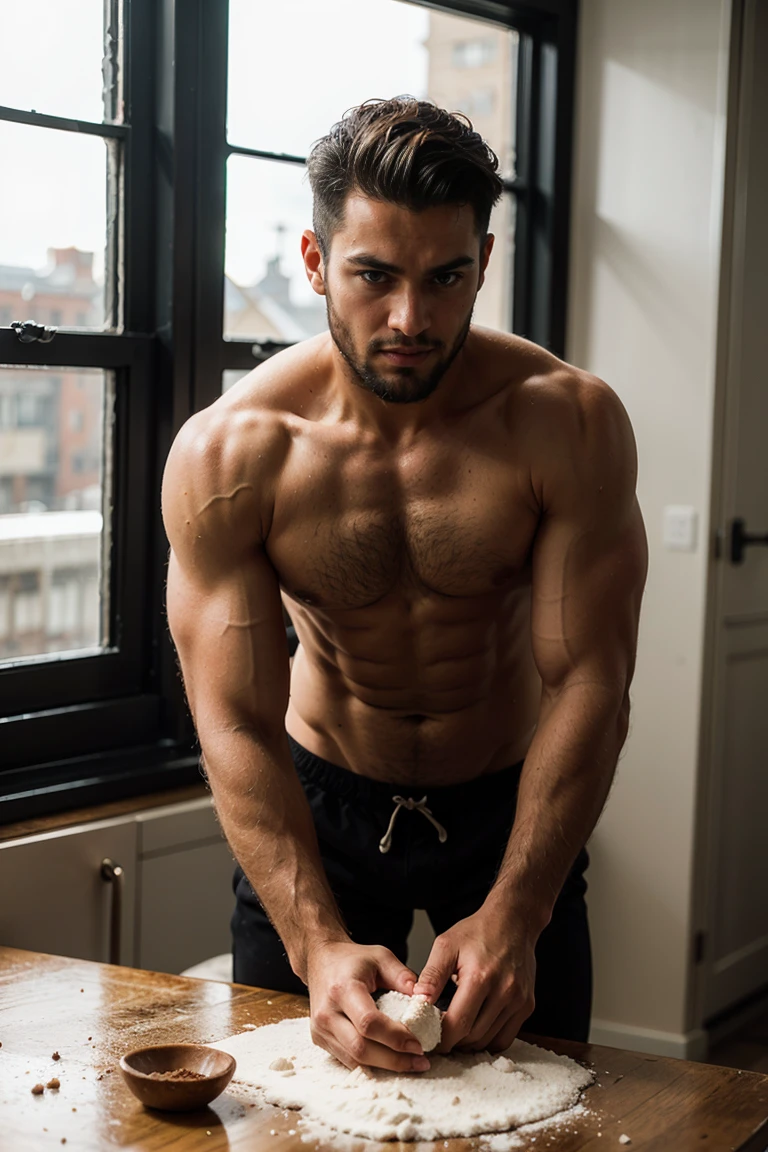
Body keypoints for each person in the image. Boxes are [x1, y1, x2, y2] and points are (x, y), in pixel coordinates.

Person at [162, 97, 648, 1076]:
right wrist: (313, 942)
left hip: (513, 813)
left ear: (485, 261)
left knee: (545, 1120)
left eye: (446, 278)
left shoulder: (567, 424)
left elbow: (590, 681)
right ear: (313, 261)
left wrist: (521, 907)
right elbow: (235, 720)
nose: (410, 320)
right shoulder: (236, 451)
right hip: (320, 816)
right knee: (290, 1118)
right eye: (373, 276)